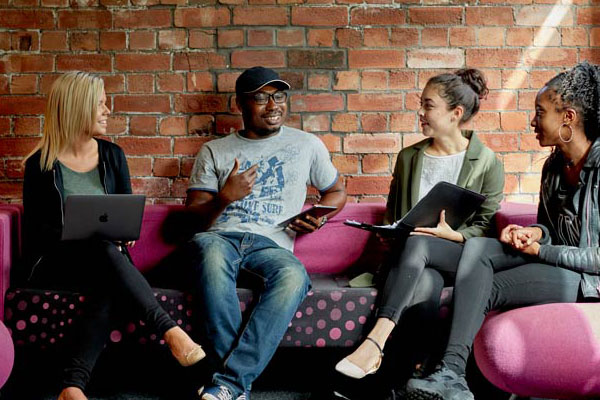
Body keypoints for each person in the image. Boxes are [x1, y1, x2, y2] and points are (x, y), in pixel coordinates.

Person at [404, 61, 600, 400]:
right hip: (556, 263)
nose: (533, 121)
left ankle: (450, 372)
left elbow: (597, 258)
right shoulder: (554, 165)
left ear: (568, 117)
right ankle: (451, 375)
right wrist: (533, 234)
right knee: (479, 249)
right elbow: (549, 228)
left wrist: (540, 250)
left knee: (488, 286)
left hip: (588, 280)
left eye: (541, 112)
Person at [22, 72, 205, 400]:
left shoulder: (112, 155)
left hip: (105, 261)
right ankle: (169, 330)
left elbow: (123, 213)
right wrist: (78, 232)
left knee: (108, 278)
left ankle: (72, 386)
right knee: (103, 250)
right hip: (57, 265)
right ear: (77, 108)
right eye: (100, 104)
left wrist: (124, 232)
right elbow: (37, 233)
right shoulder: (40, 164)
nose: (108, 110)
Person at [185, 66, 347, 400]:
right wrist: (225, 197)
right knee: (210, 256)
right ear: (240, 104)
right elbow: (191, 220)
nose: (273, 105)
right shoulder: (215, 151)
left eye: (279, 96)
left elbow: (336, 192)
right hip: (220, 237)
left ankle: (228, 385)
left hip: (271, 245)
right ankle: (234, 385)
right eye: (260, 97)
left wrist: (319, 218)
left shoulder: (306, 145)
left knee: (294, 276)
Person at [335, 69, 505, 382]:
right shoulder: (408, 157)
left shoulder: (487, 162)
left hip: (459, 257)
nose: (420, 112)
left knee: (420, 243)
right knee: (425, 281)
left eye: (428, 106)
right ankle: (409, 378)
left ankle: (376, 342)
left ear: (455, 114)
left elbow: (485, 224)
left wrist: (454, 235)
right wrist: (389, 231)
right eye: (421, 104)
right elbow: (392, 211)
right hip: (412, 261)